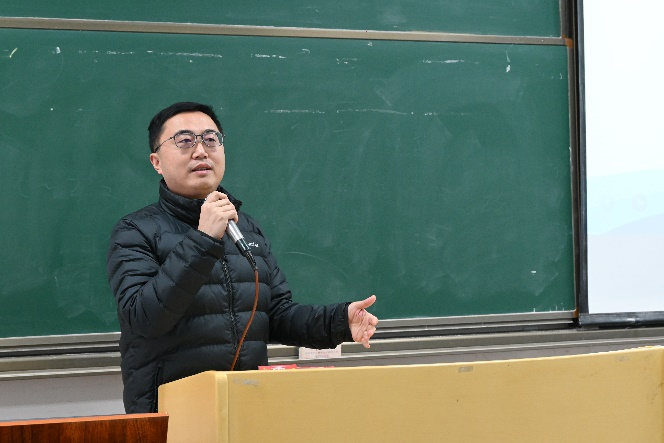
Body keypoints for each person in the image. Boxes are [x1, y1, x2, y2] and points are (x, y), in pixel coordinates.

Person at [107, 102, 378, 414]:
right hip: (169, 413)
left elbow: (275, 315)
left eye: (211, 140)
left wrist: (339, 320)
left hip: (244, 408)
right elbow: (144, 318)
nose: (200, 151)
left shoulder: (245, 227)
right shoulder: (135, 231)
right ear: (156, 162)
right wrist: (203, 239)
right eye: (185, 141)